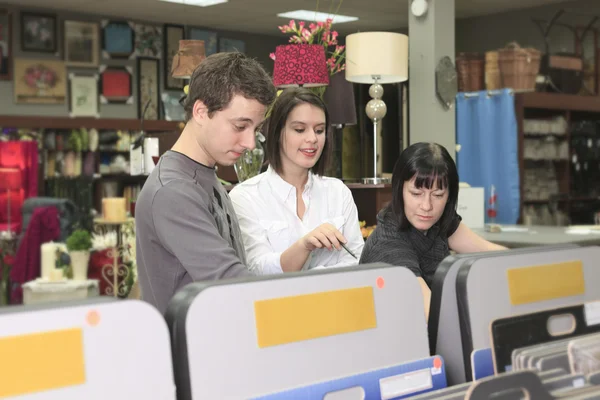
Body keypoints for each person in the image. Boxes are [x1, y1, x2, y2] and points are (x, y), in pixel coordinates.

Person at [135, 52, 277, 314]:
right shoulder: (173, 191)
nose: (249, 143)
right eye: (239, 126)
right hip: (190, 350)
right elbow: (231, 283)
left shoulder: (204, 172)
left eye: (255, 129)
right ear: (201, 111)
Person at [360, 142, 506, 318]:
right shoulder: (387, 245)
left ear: (449, 196)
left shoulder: (440, 221)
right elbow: (433, 314)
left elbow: (497, 257)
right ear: (400, 191)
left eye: (438, 195)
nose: (427, 206)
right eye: (416, 193)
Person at [229, 88, 364, 274]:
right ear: (277, 133)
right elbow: (256, 269)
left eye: (319, 130)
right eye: (299, 129)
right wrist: (304, 246)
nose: (312, 139)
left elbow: (357, 261)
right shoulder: (245, 197)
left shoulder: (338, 192)